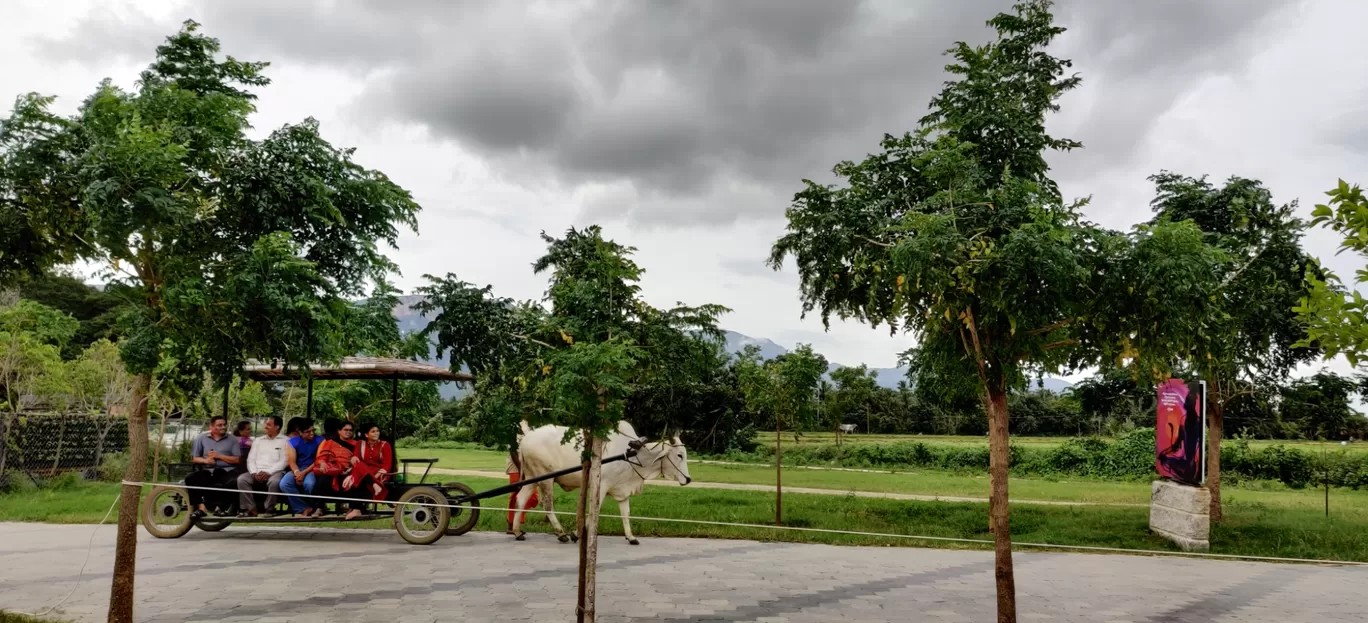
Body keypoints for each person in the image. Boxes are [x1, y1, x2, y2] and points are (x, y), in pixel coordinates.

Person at [185, 415, 242, 518]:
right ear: (211, 427)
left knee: (232, 482)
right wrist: (206, 460)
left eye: (224, 425)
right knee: (190, 478)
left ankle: (219, 508)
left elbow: (237, 459)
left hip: (226, 470)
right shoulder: (201, 438)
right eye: (219, 425)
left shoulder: (232, 439)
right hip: (208, 470)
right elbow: (194, 458)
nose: (223, 427)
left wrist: (219, 456)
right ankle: (201, 508)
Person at [236, 415, 289, 517]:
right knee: (242, 479)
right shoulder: (258, 440)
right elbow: (250, 459)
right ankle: (250, 508)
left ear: (277, 427)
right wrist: (254, 472)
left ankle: (269, 508)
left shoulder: (286, 440)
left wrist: (268, 472)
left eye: (269, 424)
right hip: (257, 471)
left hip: (275, 472)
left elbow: (284, 461)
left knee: (275, 481)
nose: (265, 426)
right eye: (266, 424)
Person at [313, 419, 366, 520]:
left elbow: (359, 458)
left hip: (348, 470)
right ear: (339, 431)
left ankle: (353, 507)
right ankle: (319, 507)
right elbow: (322, 455)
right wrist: (322, 462)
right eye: (345, 430)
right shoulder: (330, 442)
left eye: (350, 430)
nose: (348, 432)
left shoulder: (356, 444)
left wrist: (350, 467)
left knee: (351, 481)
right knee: (322, 480)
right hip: (332, 469)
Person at [280, 417, 322, 516]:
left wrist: (303, 473)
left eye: (313, 430)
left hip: (312, 468)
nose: (312, 433)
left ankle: (312, 506)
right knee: (284, 484)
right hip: (298, 469)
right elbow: (291, 461)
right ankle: (303, 507)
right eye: (308, 432)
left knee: (309, 484)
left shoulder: (320, 440)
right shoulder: (292, 442)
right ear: (300, 432)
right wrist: (297, 473)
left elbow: (318, 460)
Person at [352, 423, 393, 502]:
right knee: (357, 463)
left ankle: (356, 508)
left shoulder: (385, 445)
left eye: (377, 431)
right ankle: (374, 485)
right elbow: (356, 458)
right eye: (373, 431)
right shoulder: (360, 444)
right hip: (363, 469)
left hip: (378, 472)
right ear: (367, 435)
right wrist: (353, 457)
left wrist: (375, 476)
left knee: (358, 470)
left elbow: (387, 465)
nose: (376, 433)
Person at [505, 452, 538, 534]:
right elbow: (513, 452)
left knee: (532, 497)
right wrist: (521, 471)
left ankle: (514, 522)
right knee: (516, 497)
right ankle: (511, 524)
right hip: (516, 469)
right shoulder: (516, 439)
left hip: (526, 470)